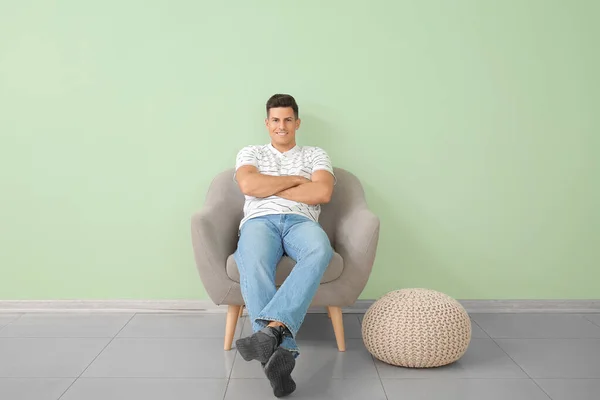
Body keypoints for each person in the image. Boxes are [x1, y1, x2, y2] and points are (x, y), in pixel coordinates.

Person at [233, 94, 335, 397]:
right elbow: (250, 186)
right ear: (267, 123)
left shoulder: (316, 154)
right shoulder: (250, 152)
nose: (282, 126)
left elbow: (323, 193)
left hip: (301, 222)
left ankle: (270, 333)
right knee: (252, 260)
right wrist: (296, 181)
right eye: (276, 120)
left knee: (320, 250)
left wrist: (272, 187)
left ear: (297, 122)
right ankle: (284, 351)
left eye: (288, 119)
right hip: (259, 222)